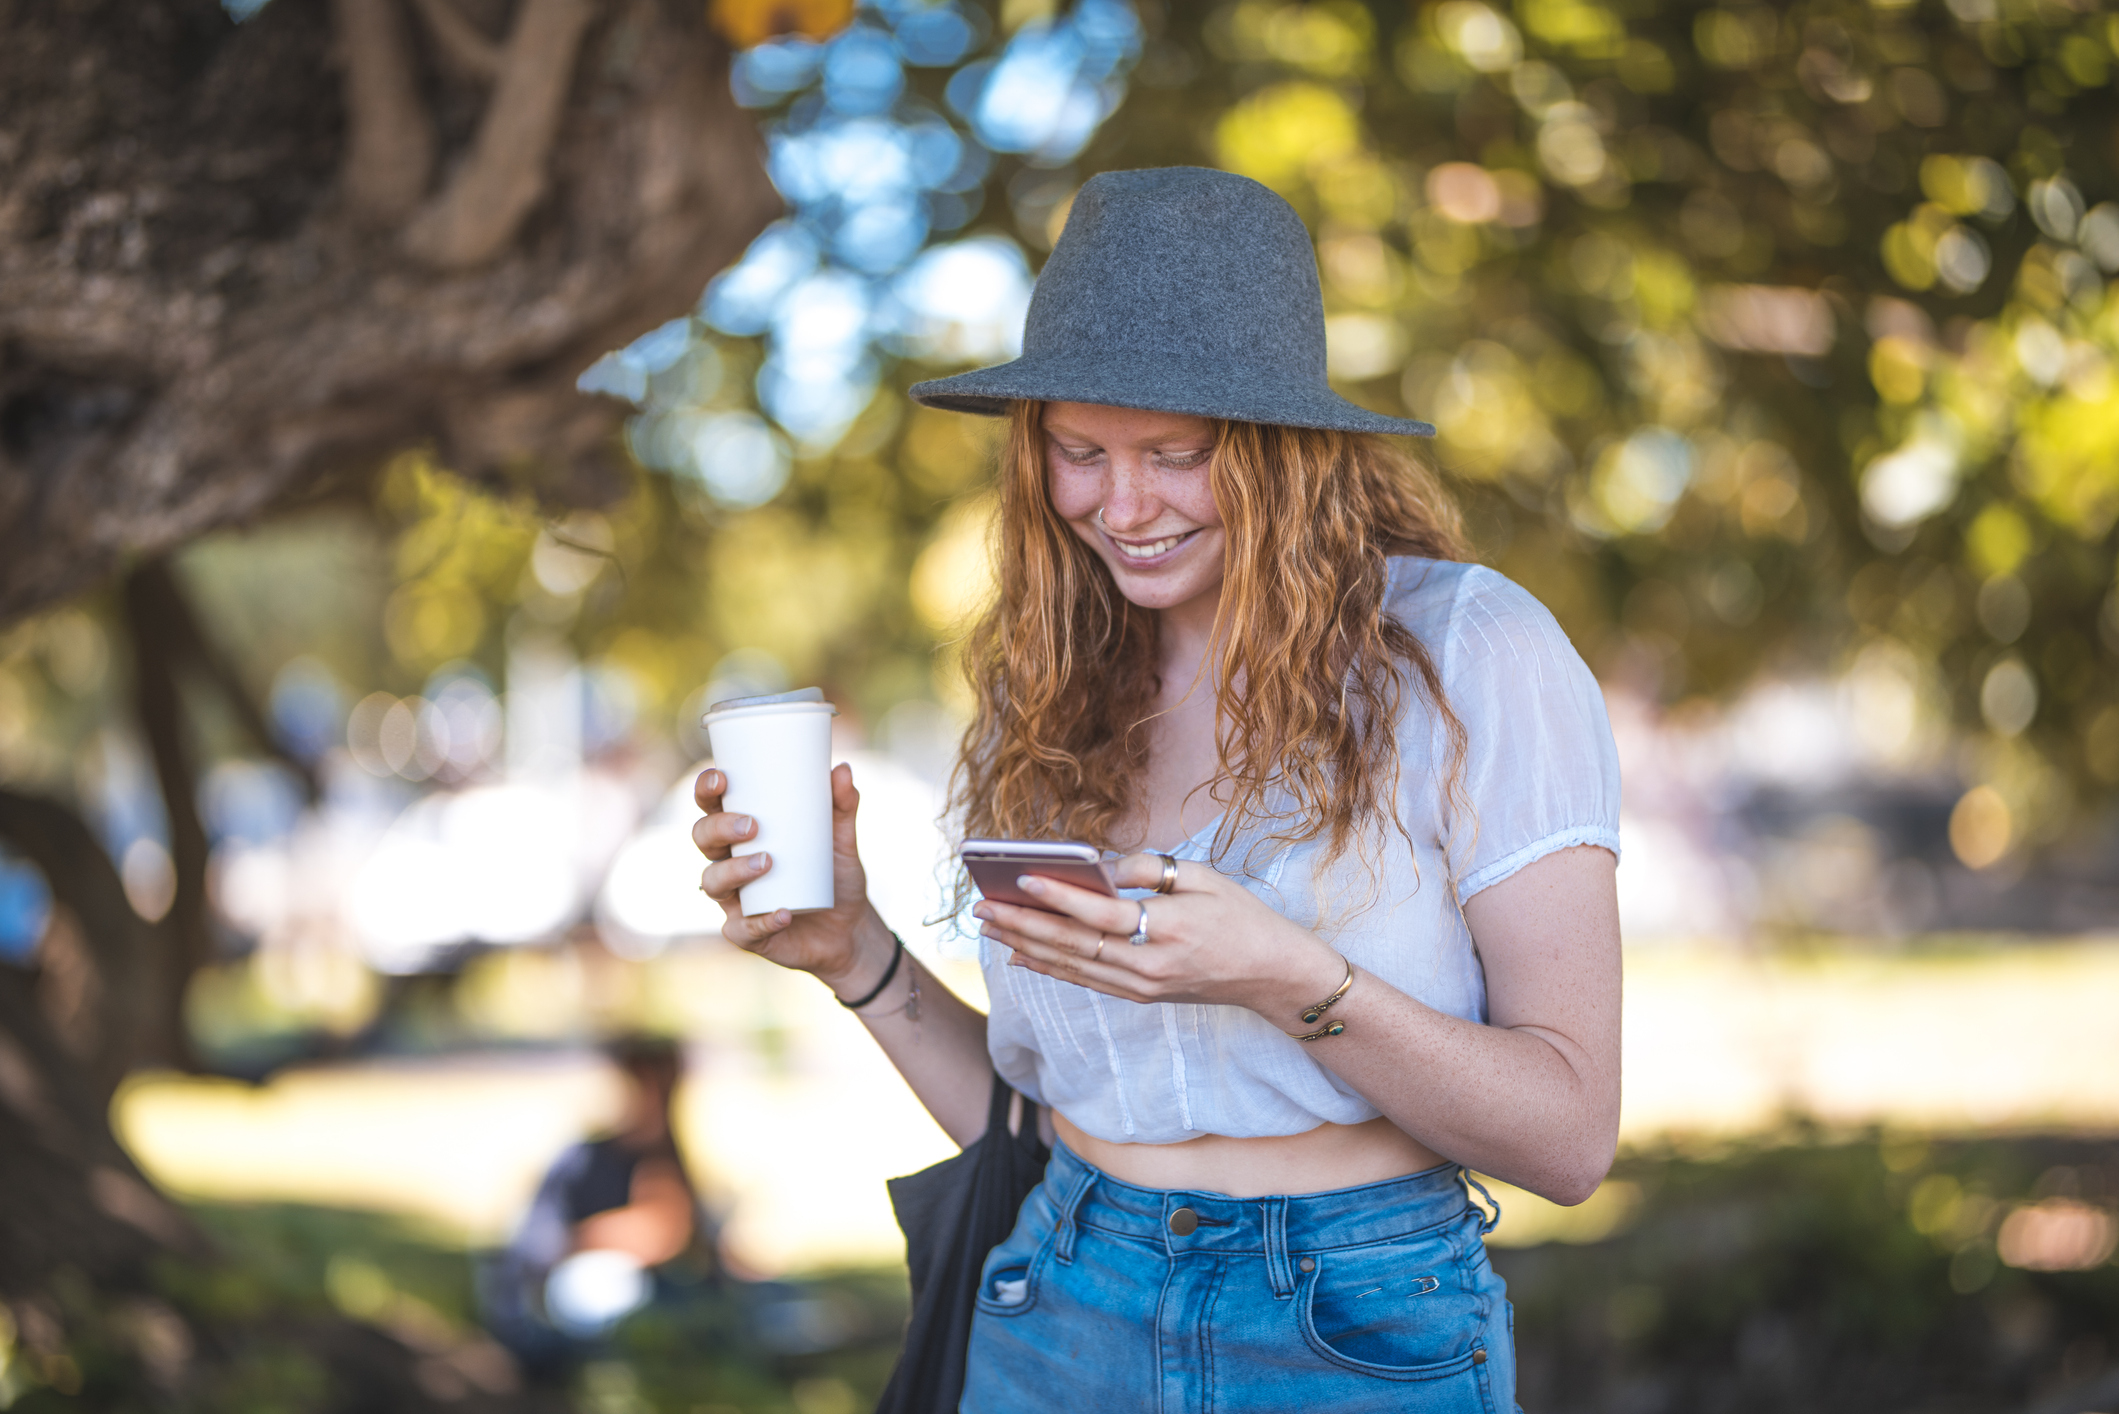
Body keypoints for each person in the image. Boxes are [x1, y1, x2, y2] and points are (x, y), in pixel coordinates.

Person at [692, 167, 1621, 1411]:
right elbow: (1037, 1119)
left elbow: (1566, 1137)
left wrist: (1289, 977)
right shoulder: (1051, 689)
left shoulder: (1467, 658)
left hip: (1356, 1332)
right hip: (1060, 1305)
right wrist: (854, 952)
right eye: (1078, 452)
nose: (1122, 508)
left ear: (1286, 453)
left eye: (1176, 456)